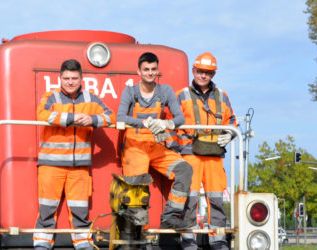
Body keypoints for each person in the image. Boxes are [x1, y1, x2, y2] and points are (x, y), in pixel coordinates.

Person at [33, 59, 116, 250]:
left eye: (74, 78)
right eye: (66, 78)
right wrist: (71, 119)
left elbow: (110, 116)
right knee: (47, 208)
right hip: (51, 164)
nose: (70, 82)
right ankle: (42, 245)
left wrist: (92, 119)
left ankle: (83, 244)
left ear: (81, 79)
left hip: (79, 165)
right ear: (60, 78)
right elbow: (42, 115)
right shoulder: (51, 97)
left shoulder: (91, 98)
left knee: (80, 209)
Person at [116, 52, 195, 229]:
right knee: (138, 189)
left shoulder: (165, 91)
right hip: (135, 147)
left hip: (157, 146)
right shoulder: (130, 92)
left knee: (185, 170)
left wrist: (166, 123)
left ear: (157, 70)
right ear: (139, 72)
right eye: (146, 69)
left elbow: (180, 118)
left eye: (153, 69)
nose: (150, 73)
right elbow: (120, 117)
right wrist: (144, 123)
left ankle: (170, 215)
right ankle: (140, 233)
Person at [176, 52, 236, 250]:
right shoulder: (181, 95)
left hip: (214, 155)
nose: (203, 76)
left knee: (216, 197)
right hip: (189, 154)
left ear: (213, 74)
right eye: (200, 71)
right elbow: (170, 122)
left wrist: (230, 134)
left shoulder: (223, 96)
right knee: (189, 198)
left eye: (208, 73)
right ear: (193, 71)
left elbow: (232, 121)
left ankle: (217, 240)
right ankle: (188, 239)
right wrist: (174, 147)